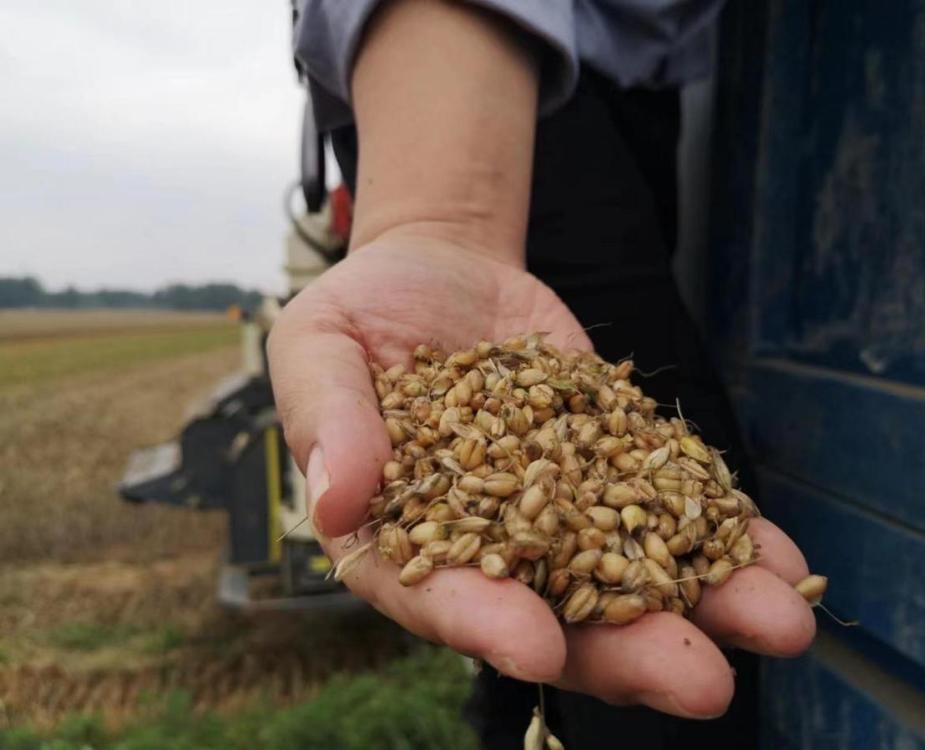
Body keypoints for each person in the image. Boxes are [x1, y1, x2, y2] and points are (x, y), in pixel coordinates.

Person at [268, 1, 817, 746]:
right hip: (473, 63)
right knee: (640, 661)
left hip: (637, 76)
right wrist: (440, 218)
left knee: (548, 629)